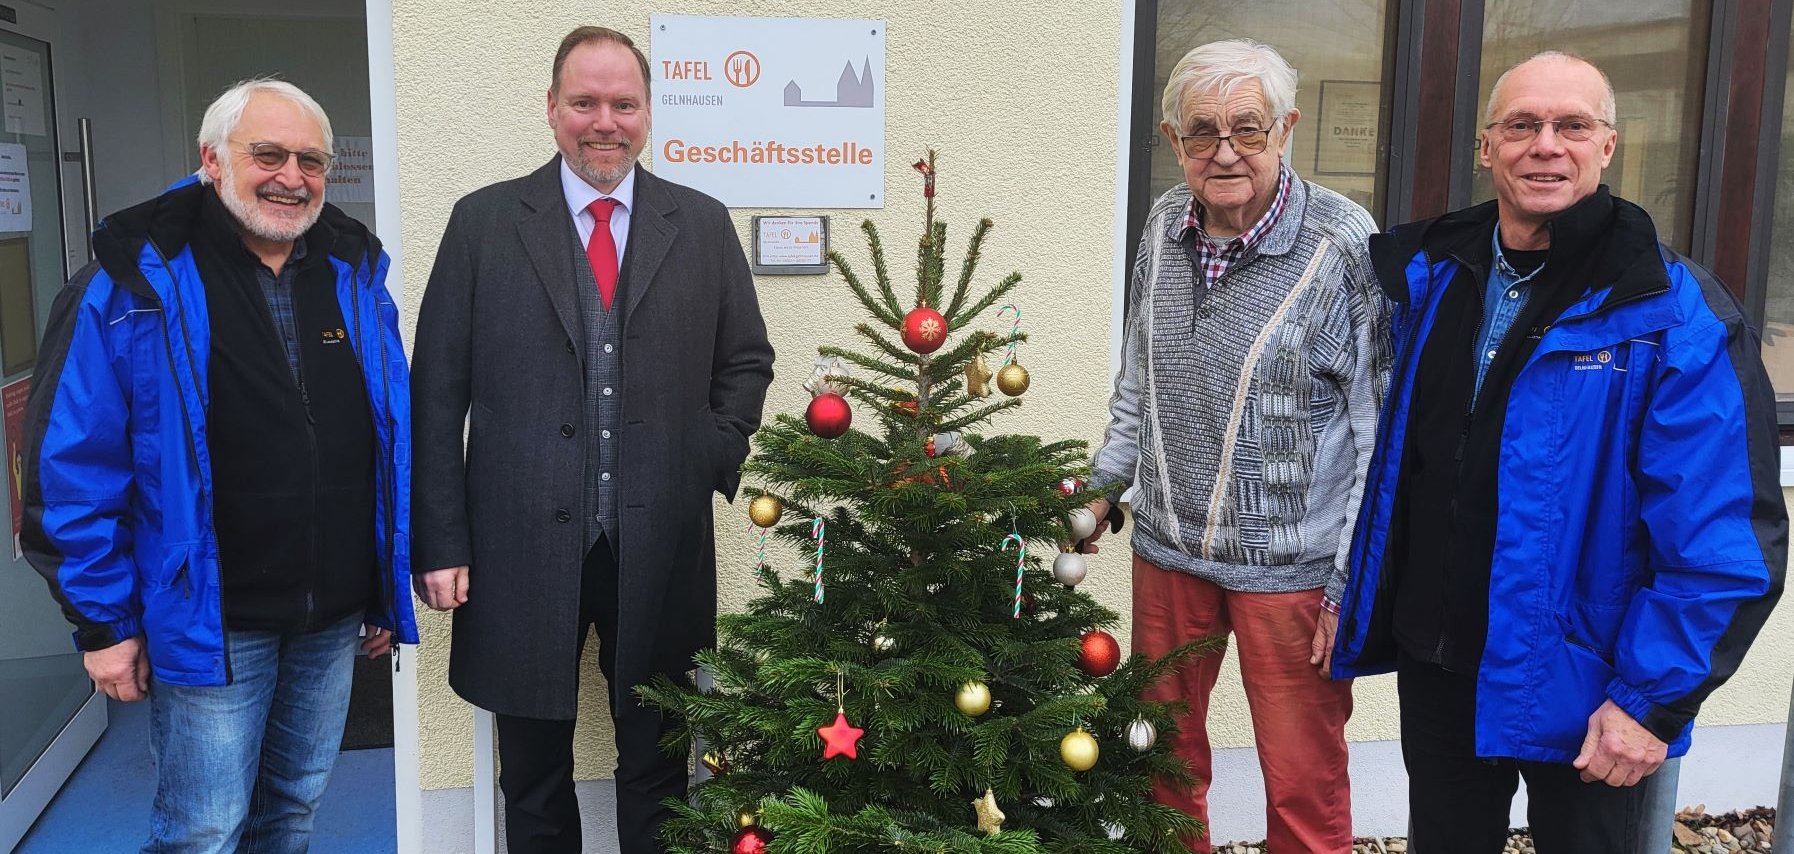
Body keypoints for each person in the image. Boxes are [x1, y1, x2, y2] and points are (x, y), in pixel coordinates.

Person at [1330, 51, 1785, 852]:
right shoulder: (1435, 273)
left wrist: (1650, 702)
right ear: (1486, 147)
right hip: (1440, 659)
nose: (1546, 145)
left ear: (1607, 147)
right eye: (1522, 125)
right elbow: (1404, 464)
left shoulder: (1670, 312)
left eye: (1572, 125)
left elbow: (1721, 540)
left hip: (1589, 682)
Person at [22, 78, 416, 852]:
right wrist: (102, 621)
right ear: (211, 158)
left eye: (311, 160)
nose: (292, 177)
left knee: (292, 814)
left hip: (330, 614)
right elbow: (71, 466)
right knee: (202, 830)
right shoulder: (133, 279)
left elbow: (385, 434)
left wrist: (379, 581)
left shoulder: (352, 271)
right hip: (209, 616)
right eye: (268, 154)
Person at [411, 25, 774, 854]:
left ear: (648, 114)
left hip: (663, 538)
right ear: (551, 110)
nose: (603, 121)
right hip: (515, 545)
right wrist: (440, 540)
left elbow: (746, 361)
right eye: (584, 102)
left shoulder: (704, 224)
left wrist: (708, 457)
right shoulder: (484, 223)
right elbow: (436, 392)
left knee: (657, 756)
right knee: (531, 769)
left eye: (622, 103)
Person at [1082, 39, 1387, 854]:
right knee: (1159, 759)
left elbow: (1375, 429)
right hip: (1168, 550)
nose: (1225, 152)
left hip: (1293, 572)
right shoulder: (1161, 225)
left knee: (1301, 778)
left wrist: (1348, 583)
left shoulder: (1343, 244)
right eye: (1202, 131)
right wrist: (1102, 483)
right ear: (1172, 140)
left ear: (1285, 130)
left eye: (1247, 129)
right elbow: (1138, 375)